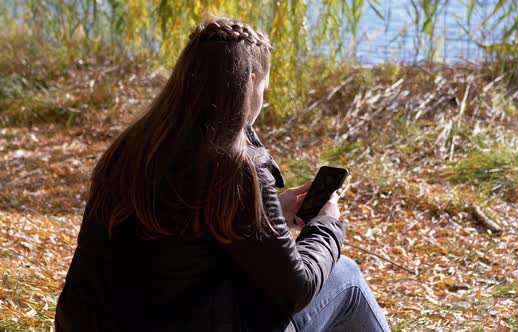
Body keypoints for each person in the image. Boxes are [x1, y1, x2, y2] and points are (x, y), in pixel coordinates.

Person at [55, 17, 390, 332]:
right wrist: (327, 225)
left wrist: (269, 207)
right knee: (344, 275)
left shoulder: (135, 147)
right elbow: (296, 288)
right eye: (265, 89)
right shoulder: (235, 167)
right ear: (250, 82)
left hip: (93, 323)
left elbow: (181, 241)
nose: (263, 100)